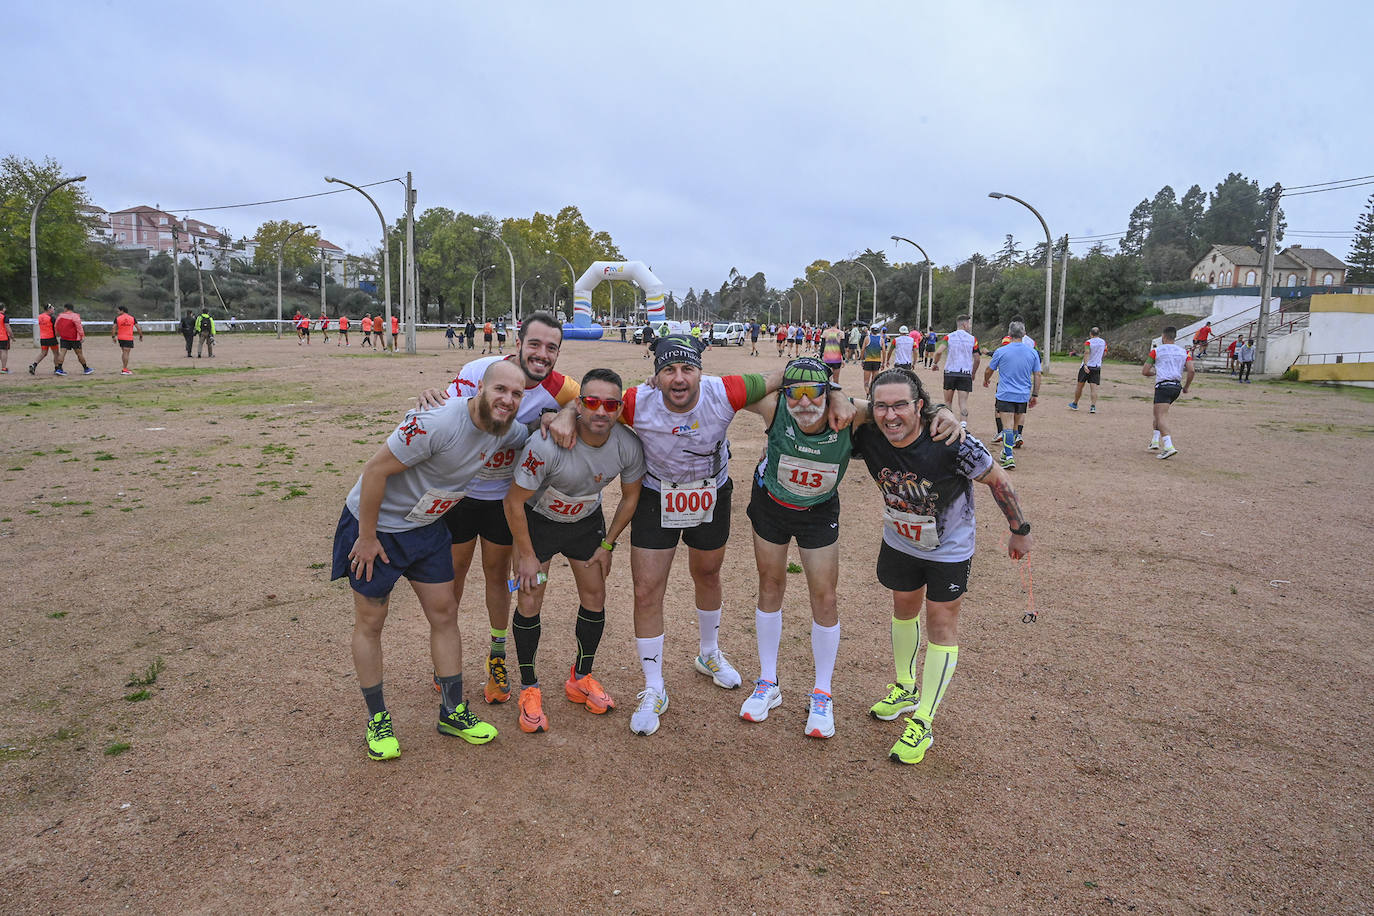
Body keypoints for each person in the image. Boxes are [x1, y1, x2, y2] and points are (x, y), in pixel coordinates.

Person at [549, 337, 853, 738]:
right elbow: (586, 398)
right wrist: (569, 413)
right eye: (668, 370)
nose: (679, 378)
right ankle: (654, 686)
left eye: (687, 369)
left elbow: (786, 374)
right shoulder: (636, 400)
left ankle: (708, 654)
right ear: (655, 376)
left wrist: (837, 392)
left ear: (700, 371)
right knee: (646, 589)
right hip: (658, 494)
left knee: (708, 574)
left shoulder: (724, 391)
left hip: (711, 491)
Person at [334, 359, 530, 761]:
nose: (507, 400)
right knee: (371, 622)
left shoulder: (505, 428)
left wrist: (564, 416)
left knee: (444, 613)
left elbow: (541, 428)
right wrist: (367, 538)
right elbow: (374, 472)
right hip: (377, 528)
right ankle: (378, 719)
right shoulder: (437, 422)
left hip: (426, 528)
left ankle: (452, 711)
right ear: (479, 389)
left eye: (516, 395)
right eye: (500, 390)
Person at [853, 367, 1032, 765]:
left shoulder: (950, 440)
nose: (891, 415)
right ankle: (905, 687)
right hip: (900, 539)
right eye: (881, 406)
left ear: (920, 405)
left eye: (901, 405)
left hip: (948, 548)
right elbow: (837, 407)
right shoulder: (866, 434)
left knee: (940, 624)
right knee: (903, 610)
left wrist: (1020, 529)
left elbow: (997, 479)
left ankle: (924, 720)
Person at [417, 314, 582, 710]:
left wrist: (565, 413)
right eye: (535, 344)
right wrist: (429, 396)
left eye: (551, 347)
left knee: (498, 577)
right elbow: (448, 411)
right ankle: (446, 665)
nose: (542, 355)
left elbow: (586, 398)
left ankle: (496, 657)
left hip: (502, 498)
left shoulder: (557, 386)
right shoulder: (479, 370)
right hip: (457, 494)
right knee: (452, 577)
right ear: (518, 340)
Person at [503, 368, 646, 734]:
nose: (601, 411)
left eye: (610, 404)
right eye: (592, 402)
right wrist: (526, 554)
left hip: (586, 522)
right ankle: (529, 687)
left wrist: (608, 543)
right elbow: (514, 502)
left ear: (619, 409)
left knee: (595, 597)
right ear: (579, 404)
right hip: (540, 521)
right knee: (530, 600)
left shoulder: (627, 445)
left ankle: (580, 677)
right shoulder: (546, 444)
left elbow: (631, 498)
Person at [981, 321, 1041, 469]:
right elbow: (1038, 375)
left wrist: (986, 379)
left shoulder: (1001, 351)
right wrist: (1035, 394)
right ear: (1024, 334)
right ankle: (1006, 452)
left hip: (1006, 393)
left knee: (1006, 426)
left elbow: (989, 370)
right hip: (1023, 394)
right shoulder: (1032, 352)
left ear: (1009, 334)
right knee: (1015, 425)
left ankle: (1009, 456)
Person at [1143, 325, 1195, 459]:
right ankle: (1155, 441)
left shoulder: (1156, 351)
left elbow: (1145, 371)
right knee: (1158, 413)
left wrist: (1155, 371)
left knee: (1161, 416)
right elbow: (1191, 370)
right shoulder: (1184, 352)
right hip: (1176, 387)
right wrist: (1187, 387)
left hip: (1163, 386)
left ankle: (1168, 446)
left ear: (1163, 337)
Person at [930, 315, 980, 426]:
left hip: (950, 372)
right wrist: (973, 373)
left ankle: (949, 424)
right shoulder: (973, 339)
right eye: (969, 324)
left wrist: (935, 364)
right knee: (963, 403)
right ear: (965, 324)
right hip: (965, 373)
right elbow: (977, 358)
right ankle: (963, 426)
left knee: (948, 402)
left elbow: (938, 352)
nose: (970, 326)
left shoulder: (949, 337)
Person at [1069, 328, 1106, 413]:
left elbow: (1087, 352)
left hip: (1087, 366)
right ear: (1099, 333)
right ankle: (1093, 406)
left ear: (1091, 334)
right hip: (1096, 367)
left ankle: (1075, 403)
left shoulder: (1088, 342)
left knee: (1080, 386)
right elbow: (1104, 353)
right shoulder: (1103, 342)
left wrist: (1085, 364)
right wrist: (1099, 360)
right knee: (1094, 388)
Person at [53, 303, 94, 375]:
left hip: (64, 337)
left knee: (62, 353)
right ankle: (86, 369)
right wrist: (82, 336)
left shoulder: (60, 316)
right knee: (79, 353)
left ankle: (59, 369)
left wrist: (57, 333)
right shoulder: (75, 316)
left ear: (65, 308)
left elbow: (56, 325)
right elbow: (79, 327)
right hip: (74, 338)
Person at [110, 305, 143, 374]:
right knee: (126, 353)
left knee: (124, 352)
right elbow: (138, 328)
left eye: (118, 310)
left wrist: (113, 336)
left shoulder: (118, 318)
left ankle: (124, 367)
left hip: (120, 337)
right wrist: (140, 336)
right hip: (128, 337)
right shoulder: (132, 318)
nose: (117, 312)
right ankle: (125, 369)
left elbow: (113, 328)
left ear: (122, 311)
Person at [29, 303, 60, 373]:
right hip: (51, 338)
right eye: (52, 308)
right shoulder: (52, 318)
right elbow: (55, 328)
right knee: (56, 354)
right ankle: (57, 368)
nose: (53, 310)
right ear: (49, 309)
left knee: (43, 353)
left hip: (43, 338)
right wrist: (58, 334)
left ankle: (34, 365)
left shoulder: (40, 316)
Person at [0, 304, 10, 373]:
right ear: (3, 309)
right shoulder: (4, 316)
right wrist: (12, 336)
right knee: (4, 351)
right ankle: (3, 368)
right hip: (3, 336)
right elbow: (7, 327)